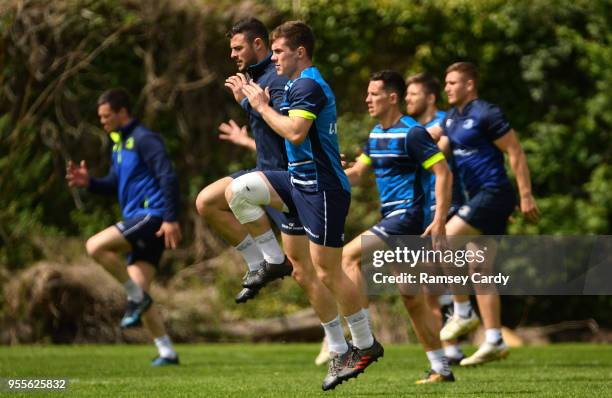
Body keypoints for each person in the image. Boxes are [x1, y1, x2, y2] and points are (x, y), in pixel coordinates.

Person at [230, 21, 383, 391]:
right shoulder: (297, 84)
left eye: (280, 51)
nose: (275, 58)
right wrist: (254, 107)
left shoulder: (309, 83)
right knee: (240, 190)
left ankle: (364, 345)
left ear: (300, 52)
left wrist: (260, 105)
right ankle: (271, 260)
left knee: (328, 271)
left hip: (323, 190)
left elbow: (295, 132)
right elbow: (294, 131)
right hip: (297, 182)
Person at [342, 70, 454, 384]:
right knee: (412, 297)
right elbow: (357, 175)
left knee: (347, 258)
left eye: (374, 94)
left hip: (407, 217)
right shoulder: (376, 134)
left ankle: (363, 343)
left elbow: (443, 173)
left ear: (393, 97)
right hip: (394, 217)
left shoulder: (413, 133)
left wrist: (440, 220)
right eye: (367, 94)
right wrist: (330, 171)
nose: (367, 100)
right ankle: (441, 368)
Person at [428, 62, 540, 366]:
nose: (447, 88)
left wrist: (525, 195)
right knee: (480, 269)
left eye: (453, 83)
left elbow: (515, 151)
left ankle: (463, 311)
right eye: (446, 83)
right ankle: (494, 339)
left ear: (469, 85)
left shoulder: (487, 113)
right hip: (479, 198)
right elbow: (430, 139)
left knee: (445, 239)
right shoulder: (452, 118)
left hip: (493, 194)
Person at [66, 88, 181, 366]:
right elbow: (113, 184)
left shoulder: (145, 139)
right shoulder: (119, 145)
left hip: (151, 217)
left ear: (122, 113)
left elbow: (168, 176)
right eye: (101, 117)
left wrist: (170, 218)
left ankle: (135, 297)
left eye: (106, 117)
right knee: (141, 294)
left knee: (95, 246)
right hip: (141, 221)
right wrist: (89, 182)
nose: (103, 122)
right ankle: (167, 351)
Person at [195, 17, 300, 304]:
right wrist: (245, 137)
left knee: (310, 276)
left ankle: (343, 342)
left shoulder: (276, 79)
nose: (232, 55)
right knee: (206, 202)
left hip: (283, 179)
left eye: (237, 48)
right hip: (262, 171)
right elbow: (269, 129)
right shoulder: (256, 79)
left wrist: (245, 102)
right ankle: (259, 264)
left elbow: (288, 129)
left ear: (258, 44)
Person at [405, 72, 466, 365]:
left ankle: (463, 319)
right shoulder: (410, 127)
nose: (407, 99)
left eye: (413, 94)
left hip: (447, 206)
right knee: (429, 283)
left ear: (430, 97)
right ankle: (450, 345)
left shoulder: (445, 122)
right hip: (422, 208)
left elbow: (439, 157)